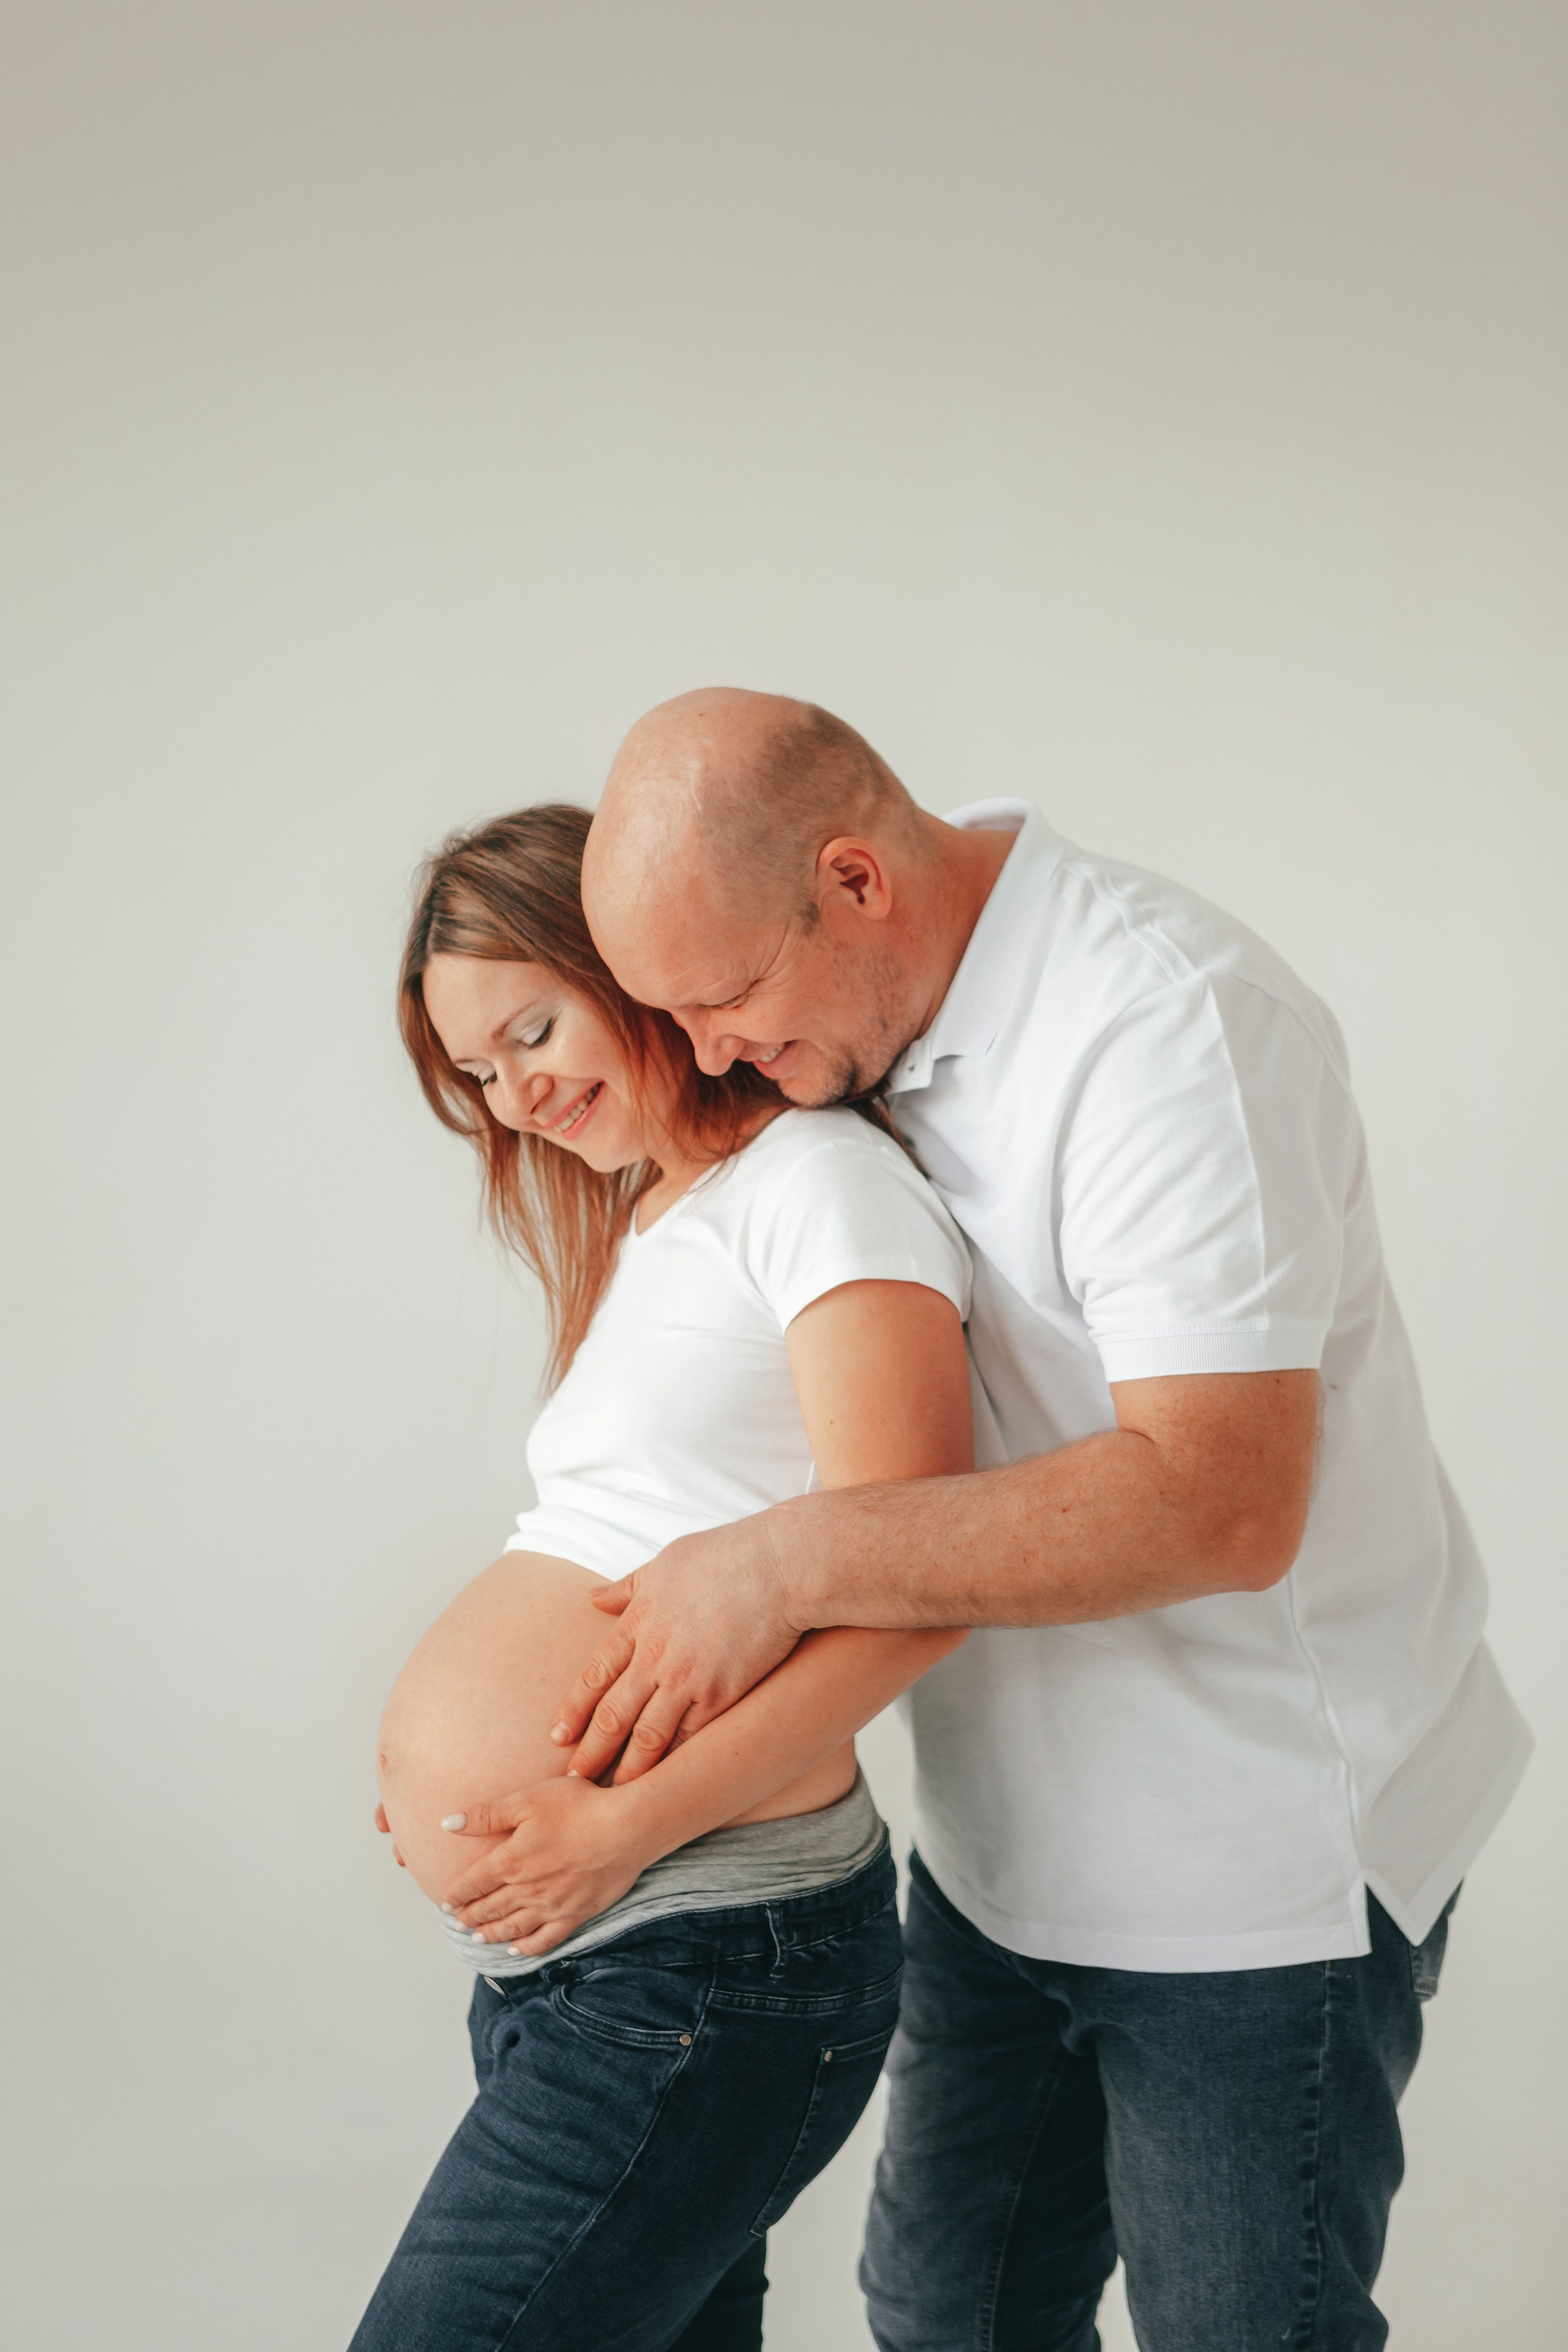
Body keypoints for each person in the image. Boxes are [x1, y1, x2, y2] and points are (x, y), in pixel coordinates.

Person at [461, 690, 1532, 2351]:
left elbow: (1217, 1499)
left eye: (727, 1000)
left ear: (857, 882)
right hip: (1001, 1859)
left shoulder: (1166, 1027)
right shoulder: (854, 1025)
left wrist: (779, 1560)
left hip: (1252, 1869)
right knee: (950, 2313)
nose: (711, 1053)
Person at [352, 802, 975, 2352]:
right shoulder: (657, 1218)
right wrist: (446, 1787)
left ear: (625, 961)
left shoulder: (819, 1184)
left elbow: (926, 1578)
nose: (518, 1092)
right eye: (479, 1075)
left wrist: (611, 1822)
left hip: (699, 1955)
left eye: (533, 1027)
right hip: (590, 1961)